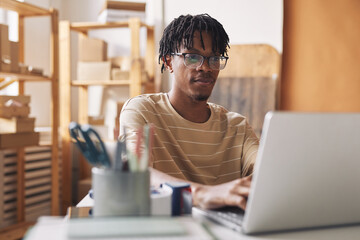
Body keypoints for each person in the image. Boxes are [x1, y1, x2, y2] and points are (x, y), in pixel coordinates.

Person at [119, 14, 259, 210]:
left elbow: (267, 173)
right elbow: (135, 172)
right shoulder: (142, 111)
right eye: (192, 57)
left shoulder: (237, 127)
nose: (205, 67)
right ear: (168, 62)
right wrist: (203, 194)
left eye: (214, 58)